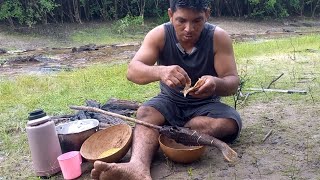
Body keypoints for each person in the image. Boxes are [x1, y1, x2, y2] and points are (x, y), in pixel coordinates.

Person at [91, 0, 242, 179]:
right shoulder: (159, 34)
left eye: (197, 21)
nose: (188, 29)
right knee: (146, 112)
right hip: (169, 101)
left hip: (206, 105)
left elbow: (232, 81)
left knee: (230, 122)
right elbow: (132, 71)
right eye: (181, 21)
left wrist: (216, 83)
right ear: (170, 15)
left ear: (207, 15)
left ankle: (167, 132)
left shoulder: (218, 37)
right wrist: (160, 71)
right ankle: (137, 167)